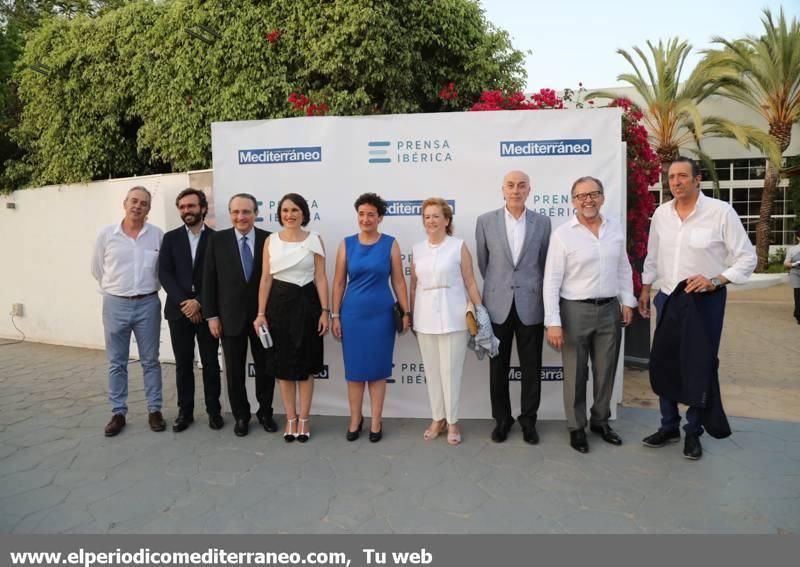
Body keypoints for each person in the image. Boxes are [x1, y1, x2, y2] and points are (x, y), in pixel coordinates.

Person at [639, 157, 756, 460]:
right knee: (664, 363)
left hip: (704, 302)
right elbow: (652, 256)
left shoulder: (720, 213)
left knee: (698, 365)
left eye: (682, 176)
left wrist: (716, 280)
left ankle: (694, 432)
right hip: (667, 298)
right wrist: (645, 288)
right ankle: (668, 426)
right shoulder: (661, 214)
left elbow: (746, 258)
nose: (675, 182)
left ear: (697, 180)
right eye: (671, 177)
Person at [543, 176, 636, 453]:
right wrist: (553, 322)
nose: (588, 200)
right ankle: (576, 427)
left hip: (609, 310)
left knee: (606, 371)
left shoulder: (615, 229)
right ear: (573, 201)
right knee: (575, 374)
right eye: (581, 195)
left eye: (593, 194)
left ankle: (601, 422)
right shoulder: (563, 234)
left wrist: (627, 301)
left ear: (602, 197)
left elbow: (624, 268)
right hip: (574, 312)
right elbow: (551, 281)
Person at [475, 170, 551, 444]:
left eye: (521, 186)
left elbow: (544, 264)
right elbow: (485, 264)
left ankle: (529, 420)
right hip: (497, 305)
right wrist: (499, 287)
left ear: (529, 190)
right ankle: (502, 419)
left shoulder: (543, 223)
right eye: (510, 185)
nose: (516, 190)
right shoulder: (485, 222)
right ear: (502, 189)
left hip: (531, 303)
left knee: (532, 366)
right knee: (498, 367)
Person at [331, 193, 410, 442]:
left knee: (377, 371)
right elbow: (338, 283)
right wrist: (335, 315)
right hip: (352, 315)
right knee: (354, 372)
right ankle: (355, 418)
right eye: (362, 214)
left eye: (371, 214)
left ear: (380, 218)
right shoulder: (346, 244)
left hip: (381, 315)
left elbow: (398, 281)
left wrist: (406, 311)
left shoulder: (390, 243)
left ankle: (376, 420)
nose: (365, 219)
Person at [254, 193, 329, 443]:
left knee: (306, 365)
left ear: (304, 213)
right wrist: (261, 313)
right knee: (283, 367)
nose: (290, 214)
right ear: (280, 214)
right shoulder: (270, 241)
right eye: (285, 210)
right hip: (279, 307)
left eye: (295, 210)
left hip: (308, 305)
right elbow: (265, 278)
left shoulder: (315, 240)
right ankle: (291, 417)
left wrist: (325, 312)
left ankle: (305, 419)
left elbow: (320, 277)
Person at [91, 186, 165, 437]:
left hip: (148, 304)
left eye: (143, 203)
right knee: (116, 362)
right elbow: (97, 269)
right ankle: (118, 412)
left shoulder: (157, 236)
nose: (138, 206)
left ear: (149, 209)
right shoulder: (106, 235)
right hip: (115, 304)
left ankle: (154, 410)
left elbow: (161, 271)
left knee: (150, 361)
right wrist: (116, 290)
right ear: (125, 203)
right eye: (134, 201)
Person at [202, 193, 277, 437]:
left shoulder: (269, 239)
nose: (240, 217)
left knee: (266, 368)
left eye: (246, 212)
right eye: (235, 212)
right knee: (234, 372)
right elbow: (209, 281)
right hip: (229, 318)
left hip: (262, 318)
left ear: (256, 213)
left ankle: (265, 412)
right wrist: (212, 316)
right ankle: (241, 416)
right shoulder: (217, 240)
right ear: (230, 214)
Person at [411, 198, 483, 445]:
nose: (431, 220)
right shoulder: (417, 249)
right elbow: (413, 286)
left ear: (447, 220)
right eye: (427, 217)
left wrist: (480, 311)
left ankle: (452, 421)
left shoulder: (458, 246)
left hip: (454, 318)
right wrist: (410, 315)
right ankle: (436, 418)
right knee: (432, 372)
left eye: (435, 216)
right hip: (424, 318)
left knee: (450, 372)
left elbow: (470, 281)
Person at [158, 188, 223, 432]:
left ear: (203, 208)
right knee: (183, 365)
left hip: (208, 314)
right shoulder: (170, 238)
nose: (187, 211)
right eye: (183, 207)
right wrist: (186, 303)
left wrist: (200, 302)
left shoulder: (217, 239)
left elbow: (219, 277)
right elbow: (165, 273)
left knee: (210, 364)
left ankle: (214, 412)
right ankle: (185, 413)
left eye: (191, 206)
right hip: (179, 312)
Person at [784, 230, 800, 324]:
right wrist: (795, 263)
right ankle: (799, 315)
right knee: (798, 295)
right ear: (798, 238)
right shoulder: (793, 250)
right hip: (796, 273)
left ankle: (796, 312)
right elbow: (786, 263)